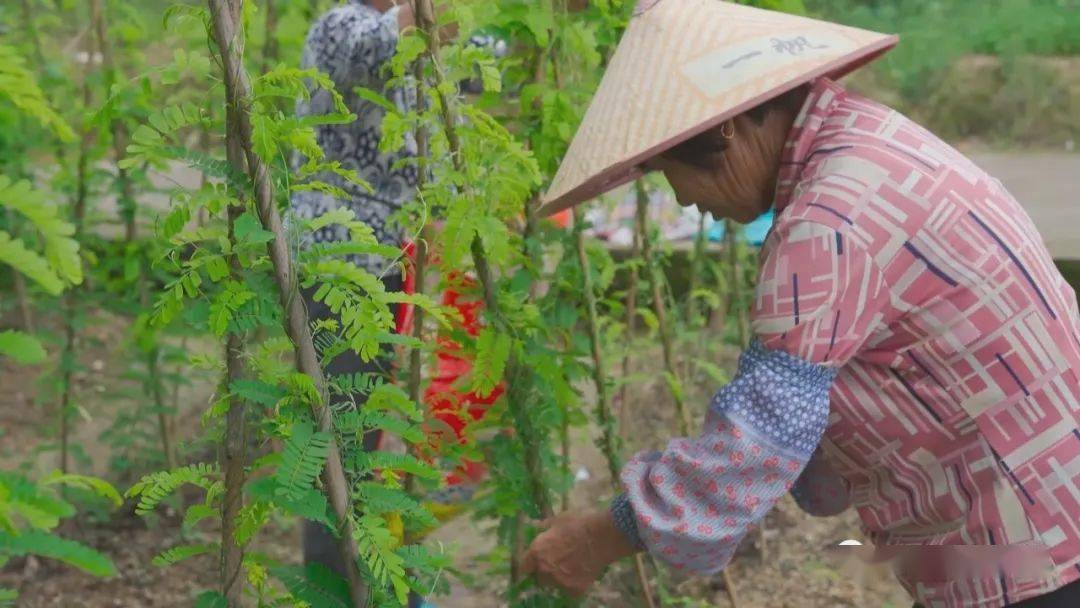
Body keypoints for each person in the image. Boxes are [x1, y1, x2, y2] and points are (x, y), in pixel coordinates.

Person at [522, 2, 1080, 607]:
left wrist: (601, 536)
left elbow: (757, 441)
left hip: (1030, 546)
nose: (683, 198)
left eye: (667, 170)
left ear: (725, 129)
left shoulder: (828, 223)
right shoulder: (871, 141)